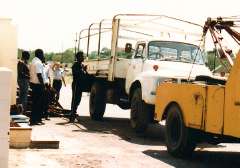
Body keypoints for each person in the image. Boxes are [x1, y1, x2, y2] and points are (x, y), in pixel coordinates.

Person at [69, 51, 87, 122]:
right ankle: (72, 116)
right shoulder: (75, 65)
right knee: (75, 100)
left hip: (80, 85)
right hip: (76, 84)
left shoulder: (81, 65)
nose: (83, 57)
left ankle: (73, 114)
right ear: (78, 57)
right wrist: (83, 70)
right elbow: (77, 74)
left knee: (78, 100)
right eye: (82, 56)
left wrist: (84, 70)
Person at [29, 49, 45, 125]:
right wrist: (43, 85)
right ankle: (36, 120)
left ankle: (34, 119)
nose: (43, 55)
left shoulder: (33, 62)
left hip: (33, 84)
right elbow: (39, 75)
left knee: (35, 103)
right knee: (38, 104)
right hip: (38, 85)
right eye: (42, 54)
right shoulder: (38, 63)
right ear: (40, 54)